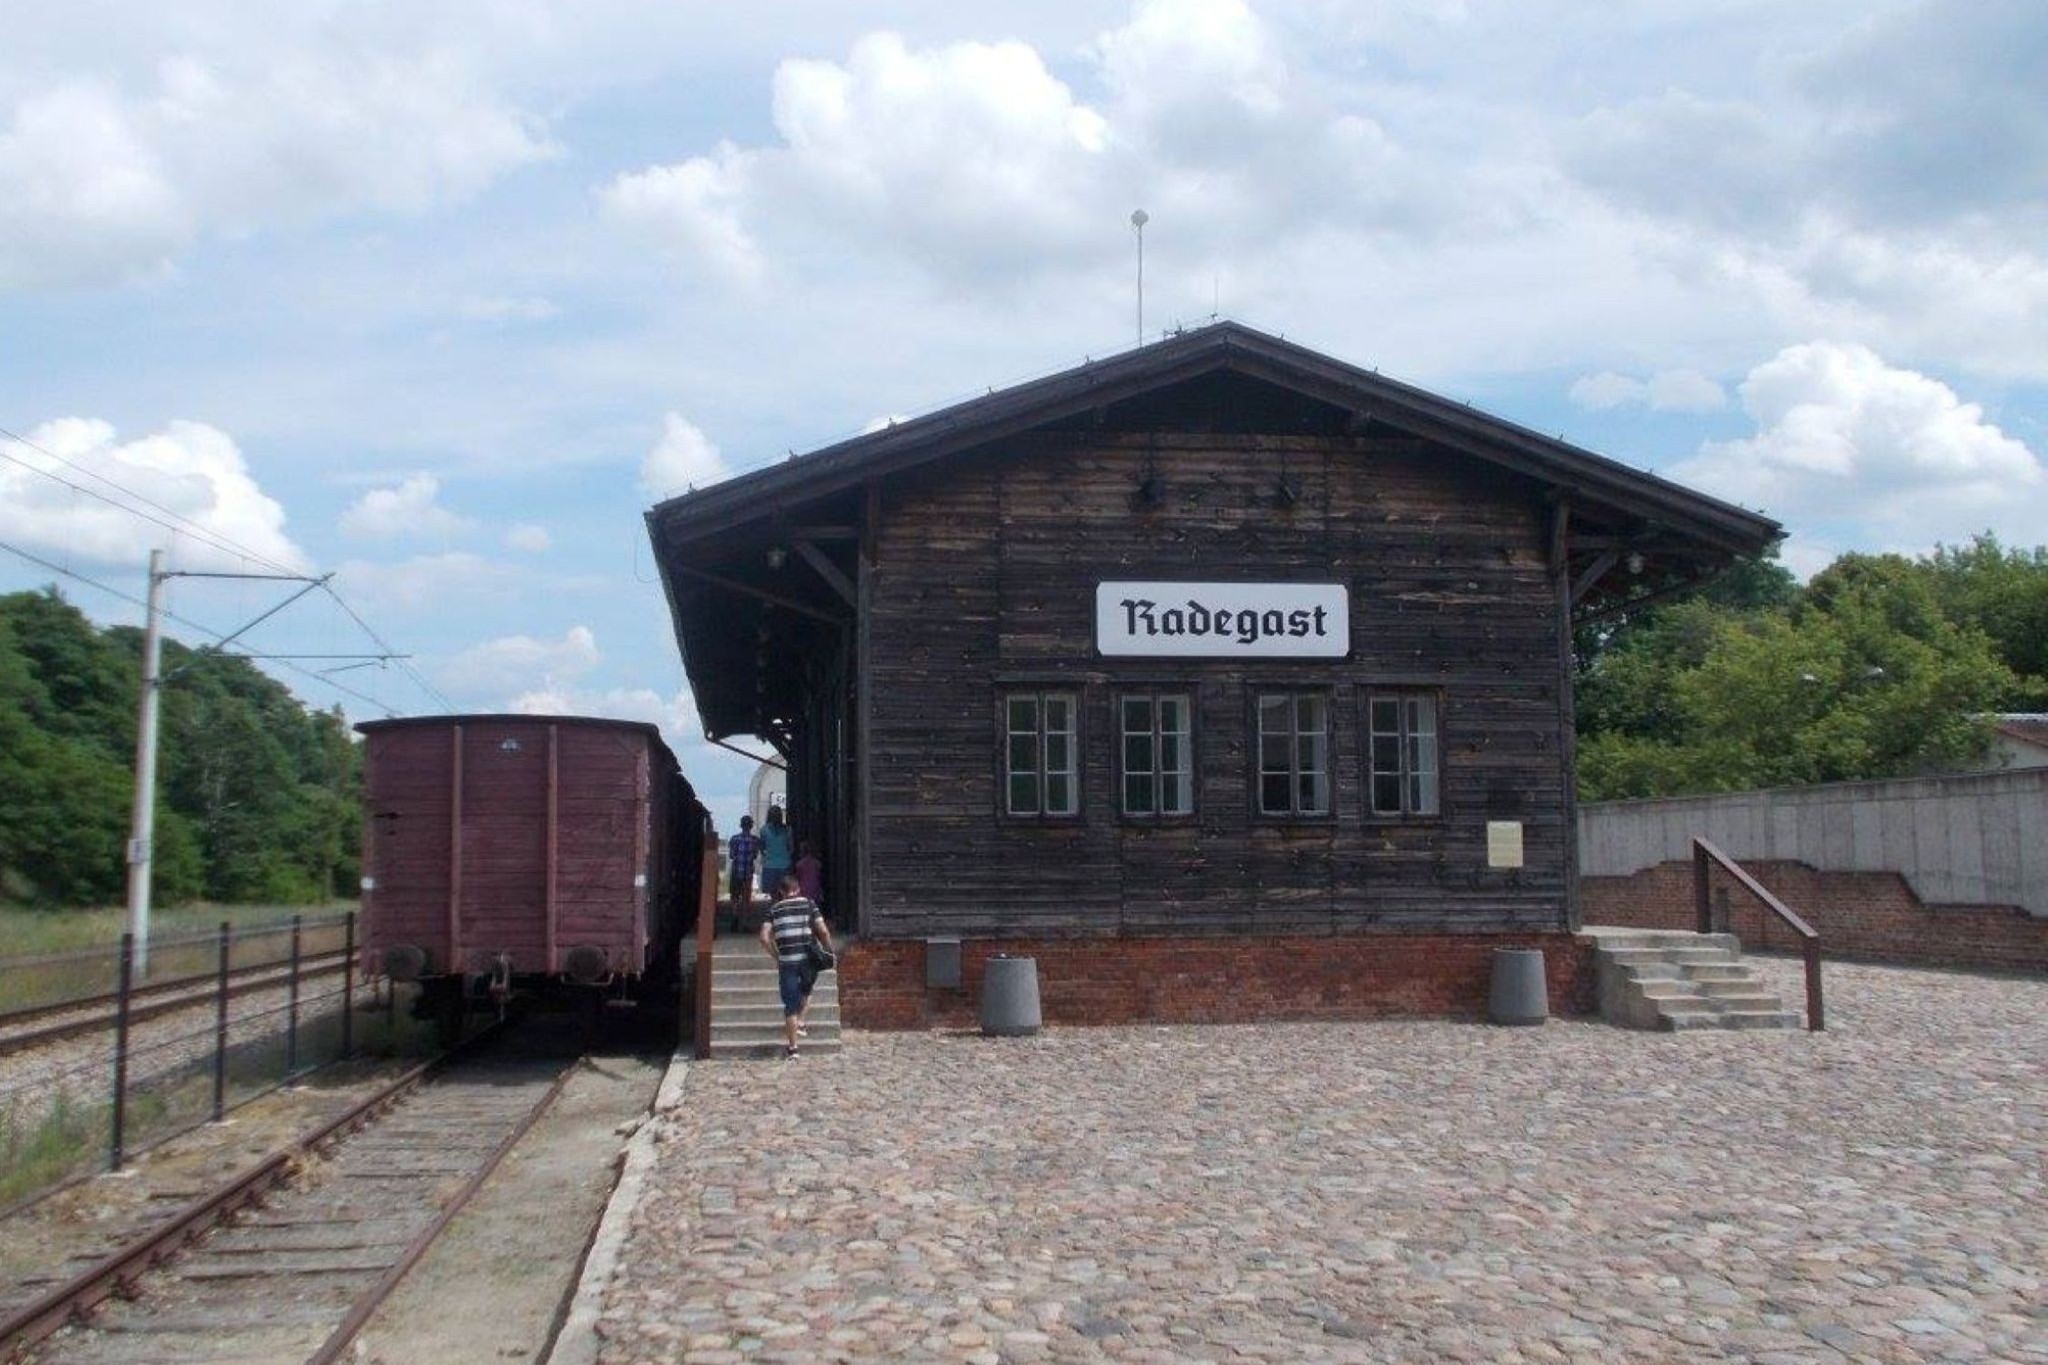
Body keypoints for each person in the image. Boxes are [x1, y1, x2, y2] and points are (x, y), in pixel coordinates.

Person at [759, 873, 834, 1059]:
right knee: (807, 991)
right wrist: (829, 951)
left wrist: (776, 955)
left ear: (780, 891)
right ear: (798, 889)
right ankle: (801, 1022)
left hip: (787, 962)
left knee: (790, 1004)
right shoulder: (809, 904)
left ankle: (793, 1048)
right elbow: (823, 931)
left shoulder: (774, 910)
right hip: (808, 959)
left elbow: (763, 937)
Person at [726, 816, 763, 932]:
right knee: (746, 898)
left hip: (736, 871)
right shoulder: (755, 840)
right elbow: (755, 855)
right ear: (751, 826)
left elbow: (732, 855)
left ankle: (735, 916)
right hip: (748, 872)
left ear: (741, 825)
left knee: (735, 896)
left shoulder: (734, 839)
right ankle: (745, 923)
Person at [758, 805, 794, 907]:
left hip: (770, 865)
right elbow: (791, 847)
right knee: (785, 892)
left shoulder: (764, 830)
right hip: (785, 865)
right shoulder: (788, 829)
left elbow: (761, 847)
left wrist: (766, 855)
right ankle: (784, 912)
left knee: (773, 894)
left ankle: (776, 912)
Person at [794, 840, 825, 913]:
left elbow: (797, 877)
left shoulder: (799, 864)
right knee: (815, 907)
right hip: (815, 887)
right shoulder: (817, 863)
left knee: (804, 907)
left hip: (803, 888)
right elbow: (819, 876)